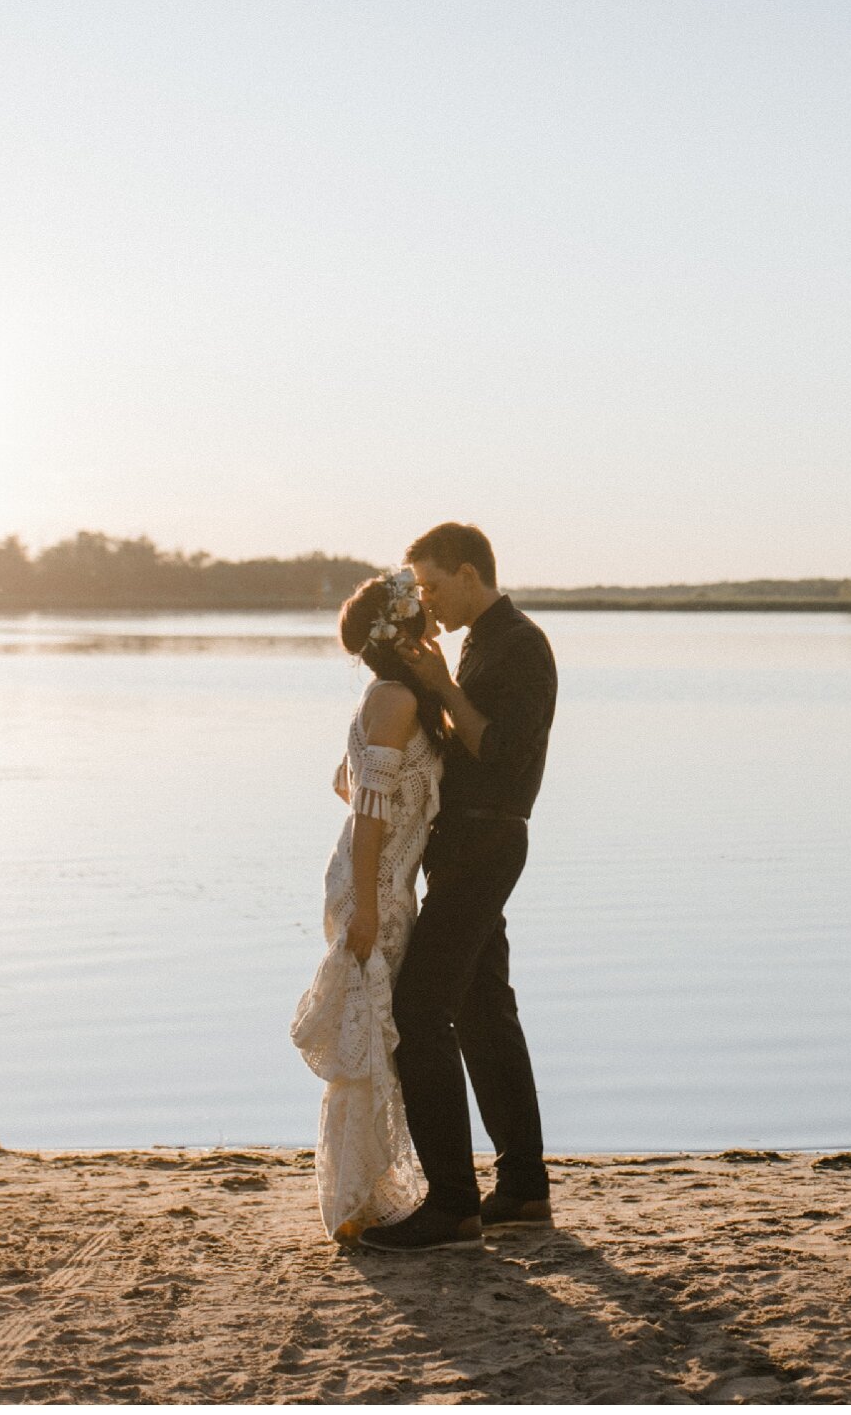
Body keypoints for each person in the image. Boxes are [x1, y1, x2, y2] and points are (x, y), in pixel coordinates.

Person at [359, 521, 558, 1252]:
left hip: (489, 838)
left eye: (436, 586)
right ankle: (524, 1188)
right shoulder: (479, 642)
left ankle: (452, 1205)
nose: (428, 602)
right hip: (462, 841)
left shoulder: (522, 644)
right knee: (483, 1010)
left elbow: (501, 752)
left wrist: (441, 686)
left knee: (418, 1008)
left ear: (471, 573)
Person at [290, 569, 447, 1242]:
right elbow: (365, 803)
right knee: (372, 1032)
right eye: (424, 616)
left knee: (377, 1029)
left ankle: (372, 1192)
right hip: (372, 887)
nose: (435, 625)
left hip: (381, 879)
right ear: (403, 629)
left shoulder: (396, 696)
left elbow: (345, 782)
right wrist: (365, 901)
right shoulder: (394, 700)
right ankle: (363, 1198)